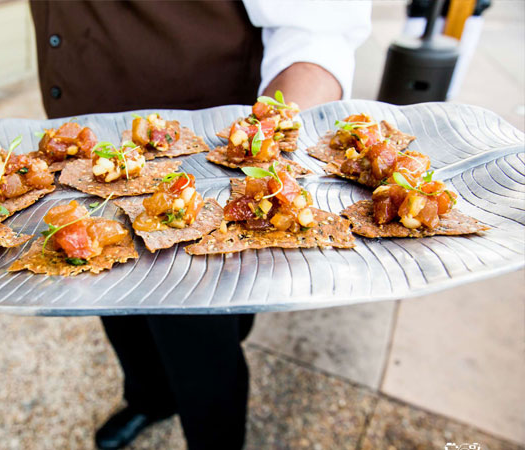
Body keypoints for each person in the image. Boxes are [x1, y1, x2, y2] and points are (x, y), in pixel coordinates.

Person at [29, 2, 371, 449]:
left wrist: (269, 135)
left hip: (204, 169)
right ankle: (150, 398)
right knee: (113, 300)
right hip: (83, 163)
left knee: (198, 341)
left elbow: (316, 27)